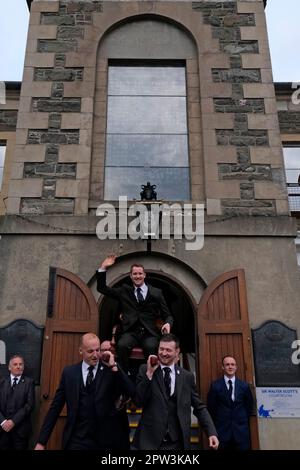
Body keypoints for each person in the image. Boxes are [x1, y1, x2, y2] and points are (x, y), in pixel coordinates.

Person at [34, 333, 135, 450]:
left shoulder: (110, 370)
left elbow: (131, 392)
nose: (96, 355)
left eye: (98, 350)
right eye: (90, 351)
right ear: (81, 351)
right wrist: (41, 442)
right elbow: (55, 408)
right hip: (77, 439)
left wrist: (114, 367)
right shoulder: (69, 373)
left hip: (105, 441)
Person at [132, 334, 219, 450]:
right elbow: (138, 401)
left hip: (177, 443)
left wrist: (211, 432)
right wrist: (149, 375)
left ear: (177, 352)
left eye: (168, 350)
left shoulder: (186, 377)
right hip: (149, 442)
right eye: (161, 349)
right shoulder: (145, 370)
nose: (163, 353)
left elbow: (199, 407)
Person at [97, 255, 174, 371]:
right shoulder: (124, 291)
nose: (137, 276)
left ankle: (151, 376)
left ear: (144, 275)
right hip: (130, 332)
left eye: (140, 274)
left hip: (149, 333)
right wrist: (103, 267)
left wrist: (168, 323)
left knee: (151, 347)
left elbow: (167, 315)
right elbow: (102, 288)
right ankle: (124, 375)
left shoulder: (156, 293)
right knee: (122, 345)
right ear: (131, 276)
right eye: (135, 274)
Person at [207, 355, 254, 450]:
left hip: (241, 433)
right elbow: (211, 408)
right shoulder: (215, 386)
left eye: (232, 364)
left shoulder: (244, 386)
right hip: (222, 432)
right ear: (223, 367)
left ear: (236, 367)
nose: (230, 367)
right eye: (227, 364)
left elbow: (249, 406)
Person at [100, 340, 130, 450]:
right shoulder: (95, 370)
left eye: (111, 350)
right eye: (104, 350)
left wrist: (115, 368)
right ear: (99, 353)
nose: (108, 353)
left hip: (120, 426)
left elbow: (131, 391)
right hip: (101, 428)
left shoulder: (119, 367)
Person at [0, 354, 35, 450]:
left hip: (20, 432)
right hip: (2, 431)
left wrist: (13, 422)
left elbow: (29, 405)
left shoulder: (29, 382)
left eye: (21, 364)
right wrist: (3, 422)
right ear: (9, 367)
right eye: (15, 364)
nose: (18, 366)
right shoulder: (2, 382)